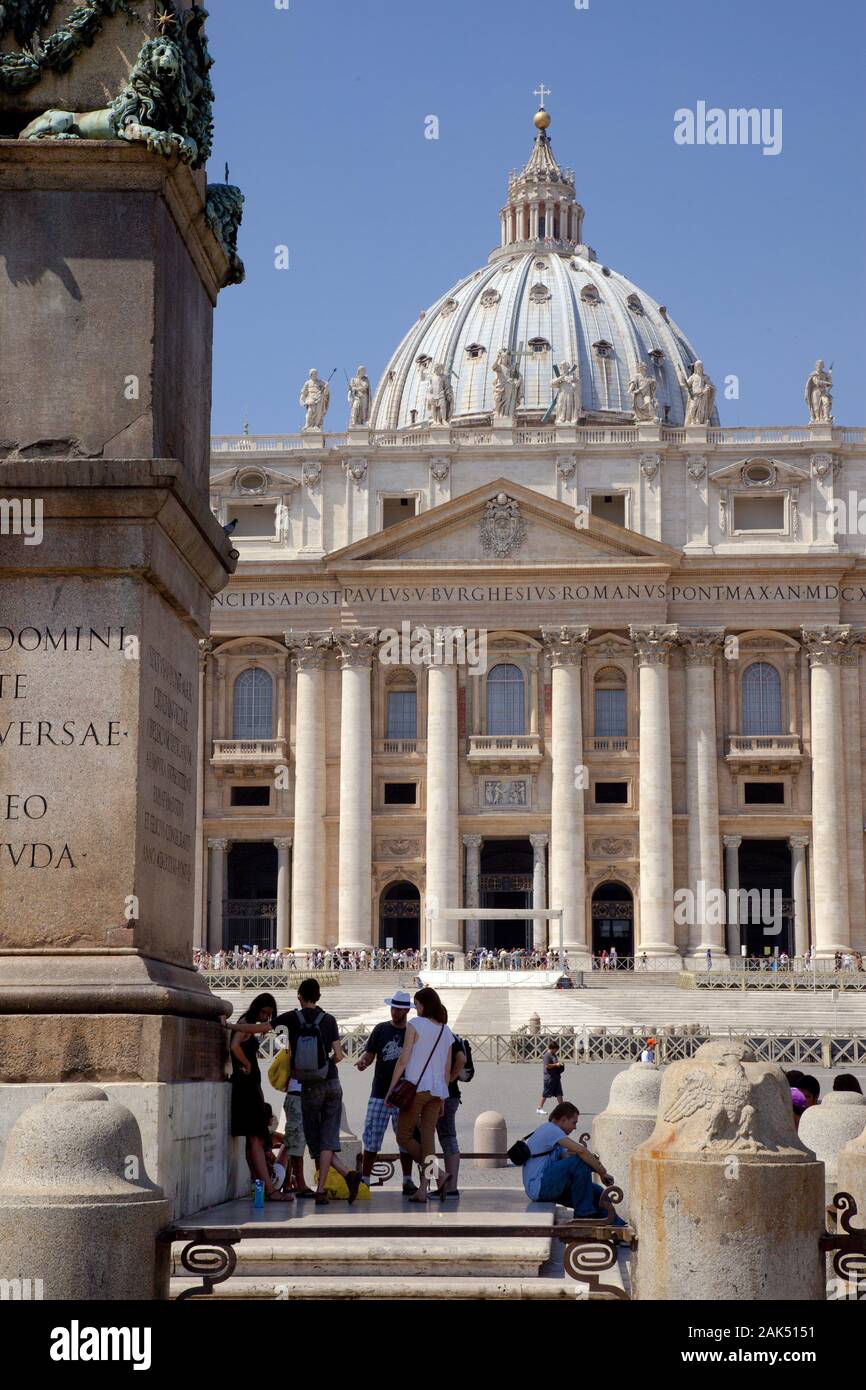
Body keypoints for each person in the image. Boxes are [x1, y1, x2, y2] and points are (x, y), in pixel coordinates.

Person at [275, 979, 360, 1206]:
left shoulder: (293, 1018)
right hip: (332, 1082)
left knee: (315, 1141)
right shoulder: (329, 1019)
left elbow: (264, 1028)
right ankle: (334, 1183)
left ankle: (335, 1182)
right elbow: (339, 1055)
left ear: (300, 996)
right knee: (327, 1140)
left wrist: (233, 1027)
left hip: (309, 1087)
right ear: (319, 996)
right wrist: (325, 1066)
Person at [386, 987, 455, 1203]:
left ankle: (439, 1175)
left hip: (417, 1088)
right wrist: (443, 1097)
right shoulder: (446, 1030)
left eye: (416, 1004)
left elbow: (403, 1060)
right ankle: (424, 1189)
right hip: (436, 1092)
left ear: (424, 1005)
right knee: (428, 1140)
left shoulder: (415, 1025)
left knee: (403, 1136)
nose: (415, 1008)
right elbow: (446, 1069)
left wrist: (391, 1089)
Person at [229, 993, 292, 1201]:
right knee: (256, 1138)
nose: (266, 1016)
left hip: (248, 1086)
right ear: (257, 1008)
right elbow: (234, 1046)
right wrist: (247, 1064)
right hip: (247, 1086)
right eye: (264, 1012)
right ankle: (270, 1190)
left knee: (252, 1140)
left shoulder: (247, 1022)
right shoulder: (246, 1022)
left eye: (270, 1013)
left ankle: (260, 1186)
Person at [356, 990, 419, 1196]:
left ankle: (408, 1180)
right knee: (372, 1136)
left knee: (405, 1139)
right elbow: (371, 1053)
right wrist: (364, 1061)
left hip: (403, 1094)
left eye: (398, 1009)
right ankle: (365, 1179)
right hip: (379, 1092)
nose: (394, 1012)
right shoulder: (381, 1029)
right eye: (392, 1008)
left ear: (406, 1011)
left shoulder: (412, 1031)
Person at [521, 1102, 618, 1220]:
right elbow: (580, 1152)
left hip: (546, 1186)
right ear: (563, 1119)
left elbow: (568, 1158)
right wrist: (602, 1172)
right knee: (578, 1160)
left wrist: (595, 1169)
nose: (575, 1127)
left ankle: (617, 1226)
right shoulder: (551, 1129)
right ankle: (584, 1214)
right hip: (539, 1187)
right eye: (574, 1122)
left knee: (597, 1192)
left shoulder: (554, 1136)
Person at [435, 1032, 469, 1199]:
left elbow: (461, 1059)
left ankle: (449, 1186)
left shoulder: (443, 1034)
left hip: (442, 1096)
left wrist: (447, 1082)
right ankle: (443, 1183)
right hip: (450, 1095)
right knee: (444, 1138)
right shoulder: (449, 1035)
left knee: (440, 1139)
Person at [537, 1038, 564, 1114]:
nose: (556, 1051)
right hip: (549, 1078)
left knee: (559, 1093)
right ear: (552, 1048)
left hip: (556, 1077)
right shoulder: (547, 1055)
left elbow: (556, 1063)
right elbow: (547, 1066)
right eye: (556, 1049)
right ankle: (539, 1108)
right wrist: (556, 1064)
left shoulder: (553, 1054)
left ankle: (562, 1109)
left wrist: (560, 1065)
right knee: (545, 1093)